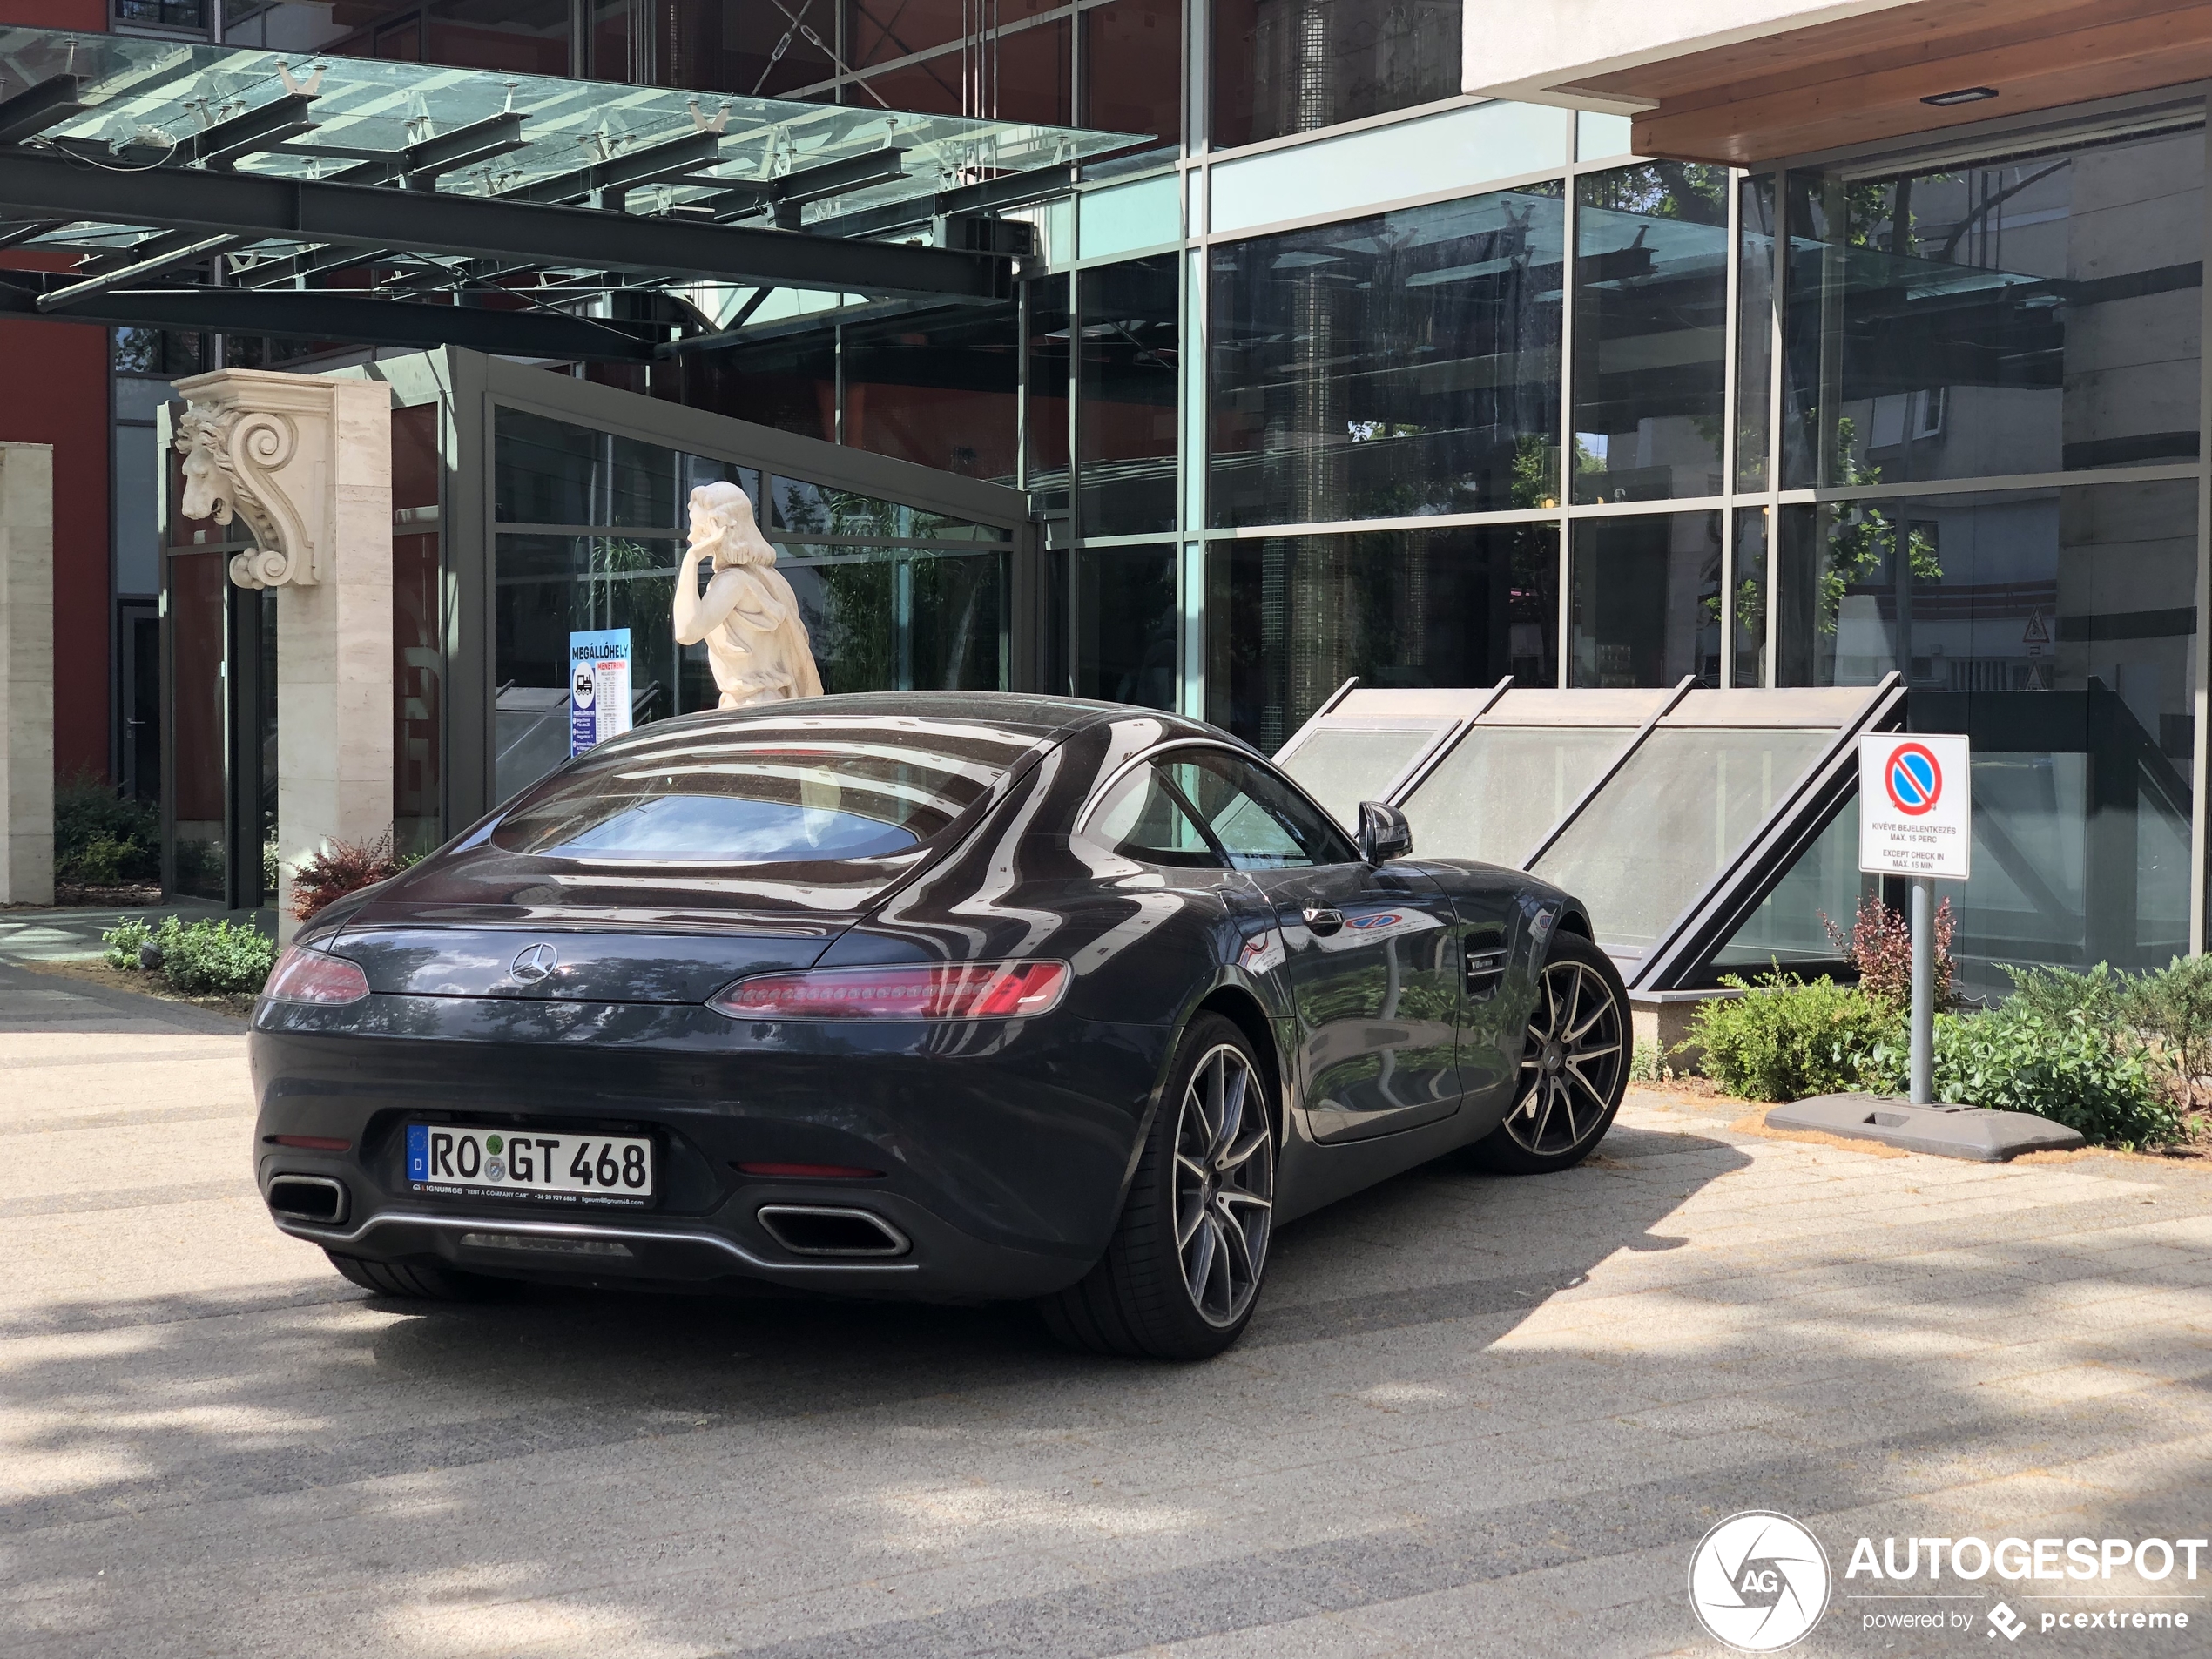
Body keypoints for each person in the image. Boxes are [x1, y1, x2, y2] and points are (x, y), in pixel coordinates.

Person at [673, 482, 823, 708]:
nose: (691, 536)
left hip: (750, 707)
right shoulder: (770, 579)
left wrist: (691, 559)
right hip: (771, 703)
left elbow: (686, 631)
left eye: (698, 527)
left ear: (719, 530)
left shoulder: (733, 582)